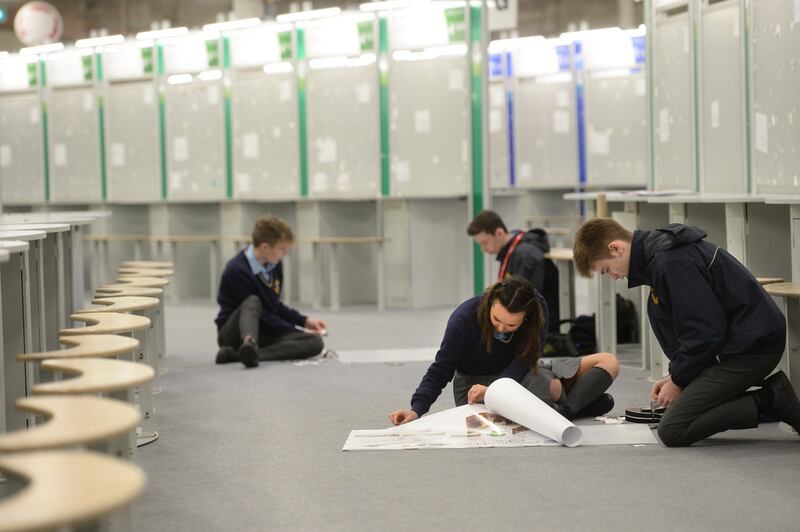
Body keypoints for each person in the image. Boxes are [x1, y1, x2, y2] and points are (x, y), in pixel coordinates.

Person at [573, 218, 800, 446]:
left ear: (616, 248)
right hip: (736, 345)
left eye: (606, 269)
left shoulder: (671, 262)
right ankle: (764, 398)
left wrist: (680, 380)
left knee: (673, 430)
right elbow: (695, 329)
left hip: (751, 349)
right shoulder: (659, 260)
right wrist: (676, 375)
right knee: (681, 408)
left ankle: (770, 399)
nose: (614, 276)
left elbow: (705, 332)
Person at [388, 277, 620, 425]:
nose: (501, 328)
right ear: (490, 304)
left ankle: (567, 412)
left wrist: (498, 387)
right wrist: (416, 410)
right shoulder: (463, 318)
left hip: (519, 372)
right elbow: (442, 368)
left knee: (609, 362)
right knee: (551, 388)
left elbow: (527, 358)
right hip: (474, 384)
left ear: (526, 317)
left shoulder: (537, 309)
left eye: (511, 325)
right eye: (496, 320)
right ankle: (575, 404)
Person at [215, 214, 326, 368]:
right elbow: (262, 315)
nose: (284, 254)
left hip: (265, 331)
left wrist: (304, 321)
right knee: (253, 301)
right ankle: (248, 343)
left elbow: (274, 306)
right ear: (265, 248)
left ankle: (244, 355)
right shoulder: (236, 270)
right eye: (282, 249)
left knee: (314, 342)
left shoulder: (274, 265)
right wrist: (293, 329)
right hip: (235, 333)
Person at [467, 210, 559, 331]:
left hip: (541, 325)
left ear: (499, 233)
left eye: (484, 243)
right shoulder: (513, 251)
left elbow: (523, 302)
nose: (483, 249)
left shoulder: (524, 256)